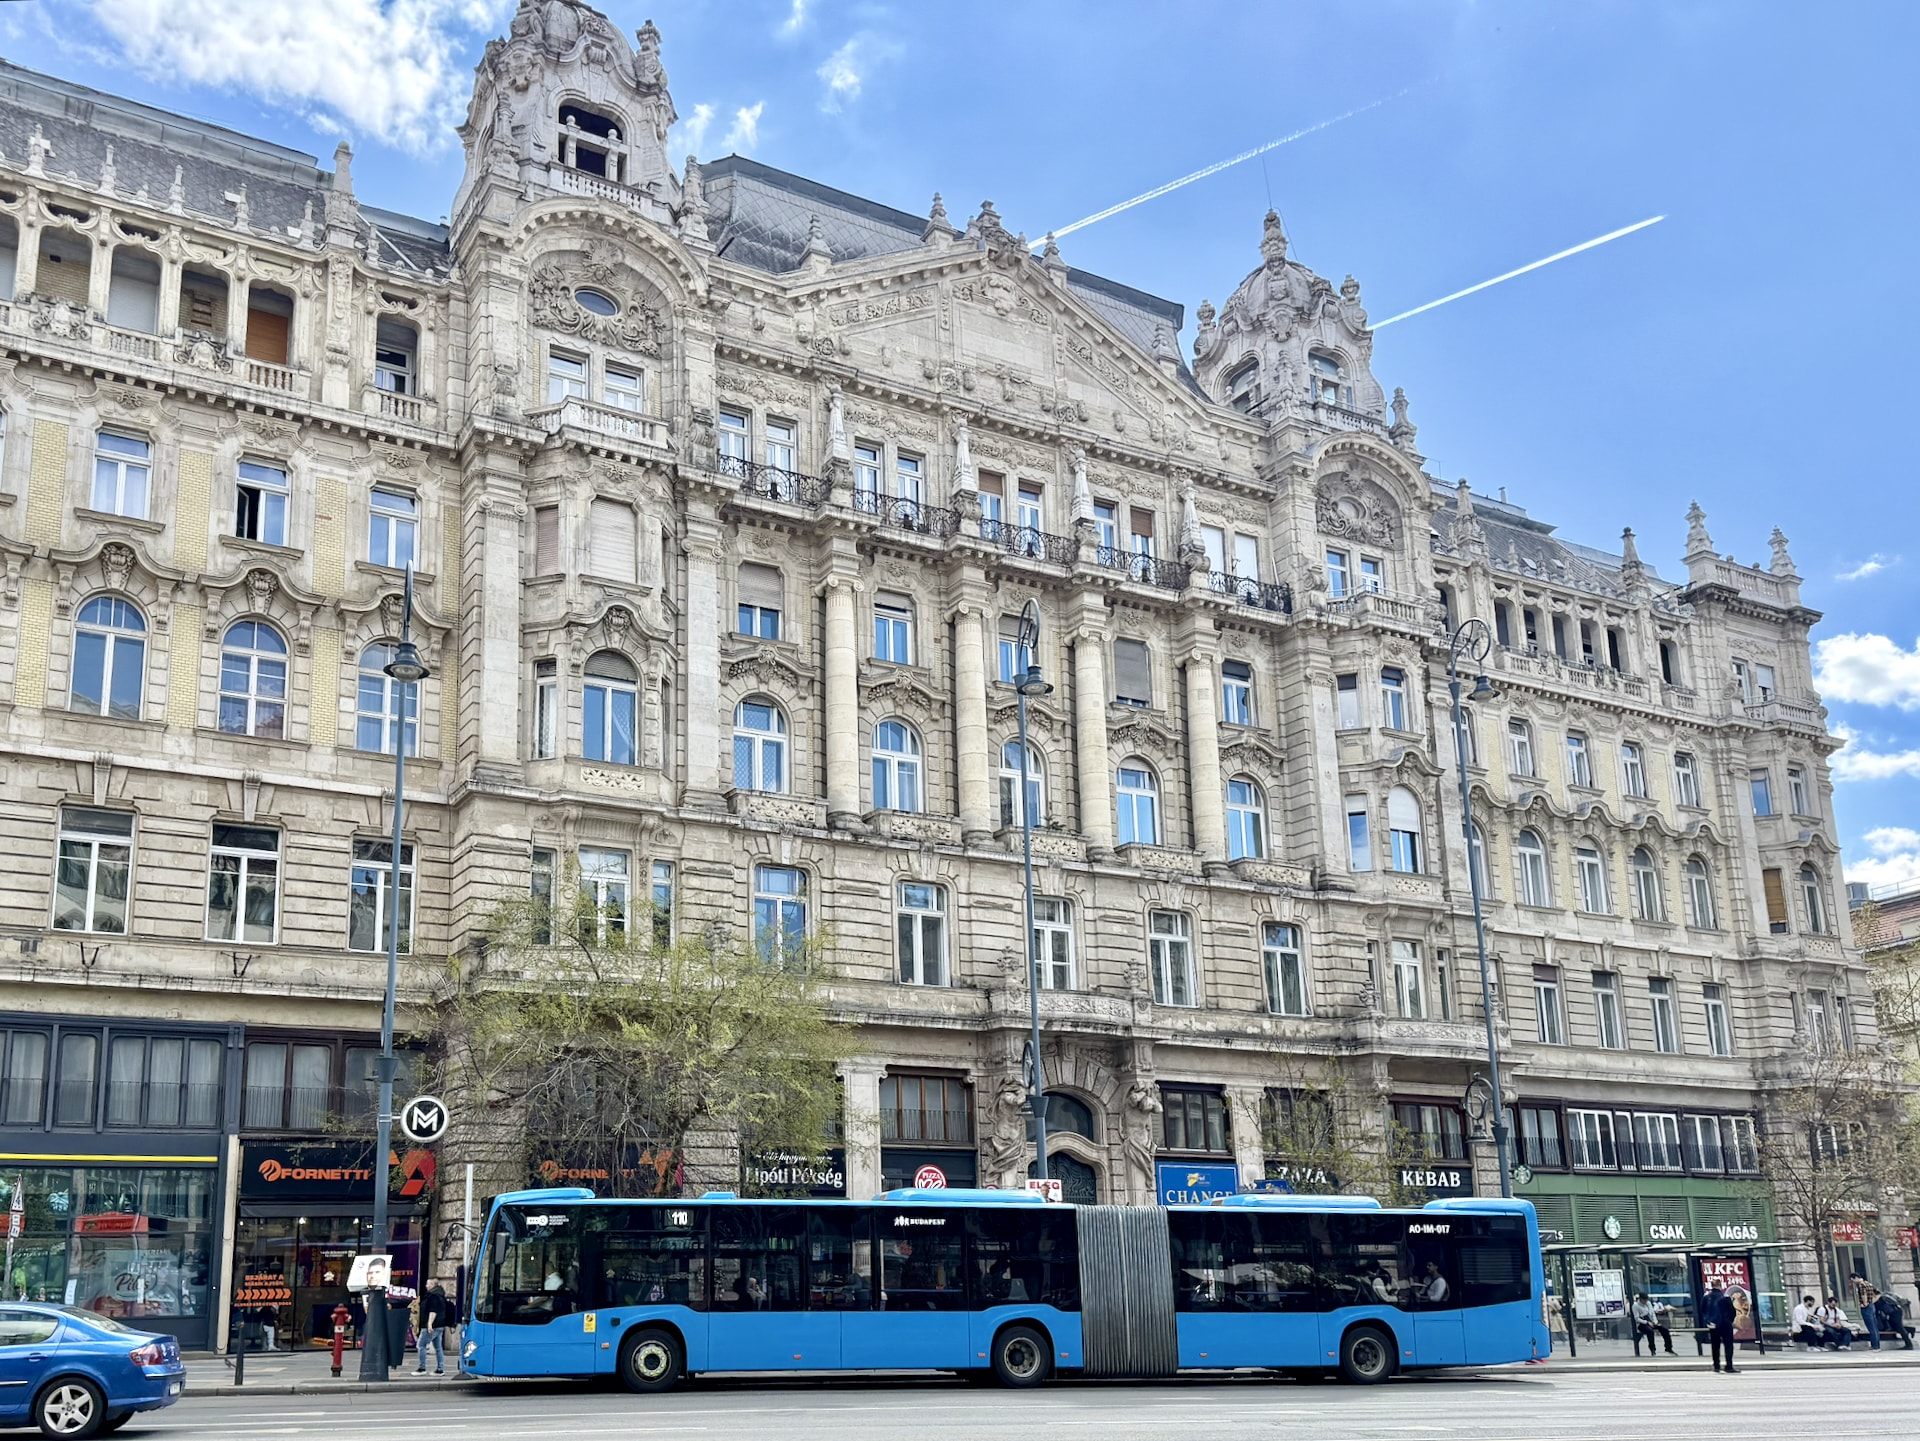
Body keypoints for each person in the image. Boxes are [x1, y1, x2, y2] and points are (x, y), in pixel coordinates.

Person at [1700, 1278, 1738, 1373]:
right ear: (1720, 1286)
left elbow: (1703, 1310)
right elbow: (1732, 1311)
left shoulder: (1706, 1297)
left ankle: (1716, 1365)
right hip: (1725, 1324)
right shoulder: (1725, 1297)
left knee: (1715, 1345)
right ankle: (1728, 1365)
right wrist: (1729, 1320)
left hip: (1713, 1324)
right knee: (1728, 1345)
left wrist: (1708, 1321)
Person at [415, 1279, 449, 1375]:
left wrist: (429, 1324)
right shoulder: (440, 1294)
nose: (426, 1285)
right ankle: (440, 1369)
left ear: (433, 1285)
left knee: (421, 1345)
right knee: (438, 1347)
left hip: (432, 1326)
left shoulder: (433, 1296)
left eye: (428, 1283)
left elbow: (433, 1311)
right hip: (440, 1325)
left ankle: (422, 1368)